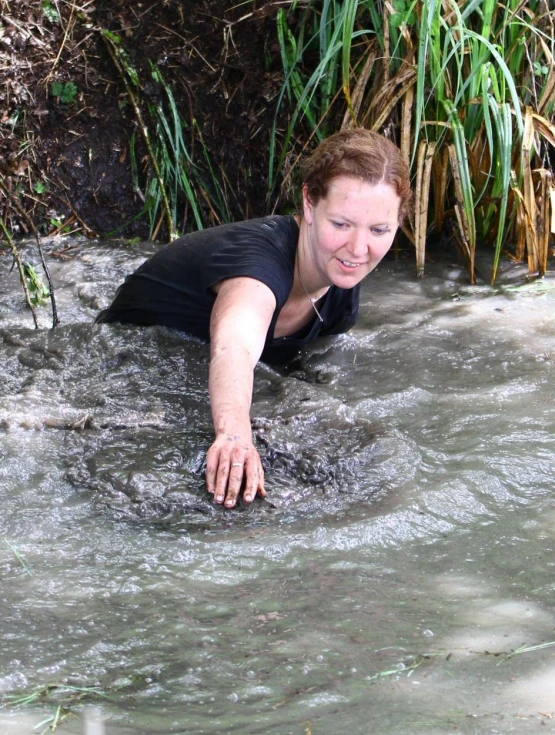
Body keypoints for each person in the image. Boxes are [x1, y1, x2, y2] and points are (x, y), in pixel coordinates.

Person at [96, 128, 412, 509]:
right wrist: (234, 435)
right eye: (341, 224)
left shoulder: (342, 283)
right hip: (116, 367)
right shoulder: (260, 262)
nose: (359, 248)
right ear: (310, 204)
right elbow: (236, 344)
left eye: (379, 230)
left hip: (192, 379)